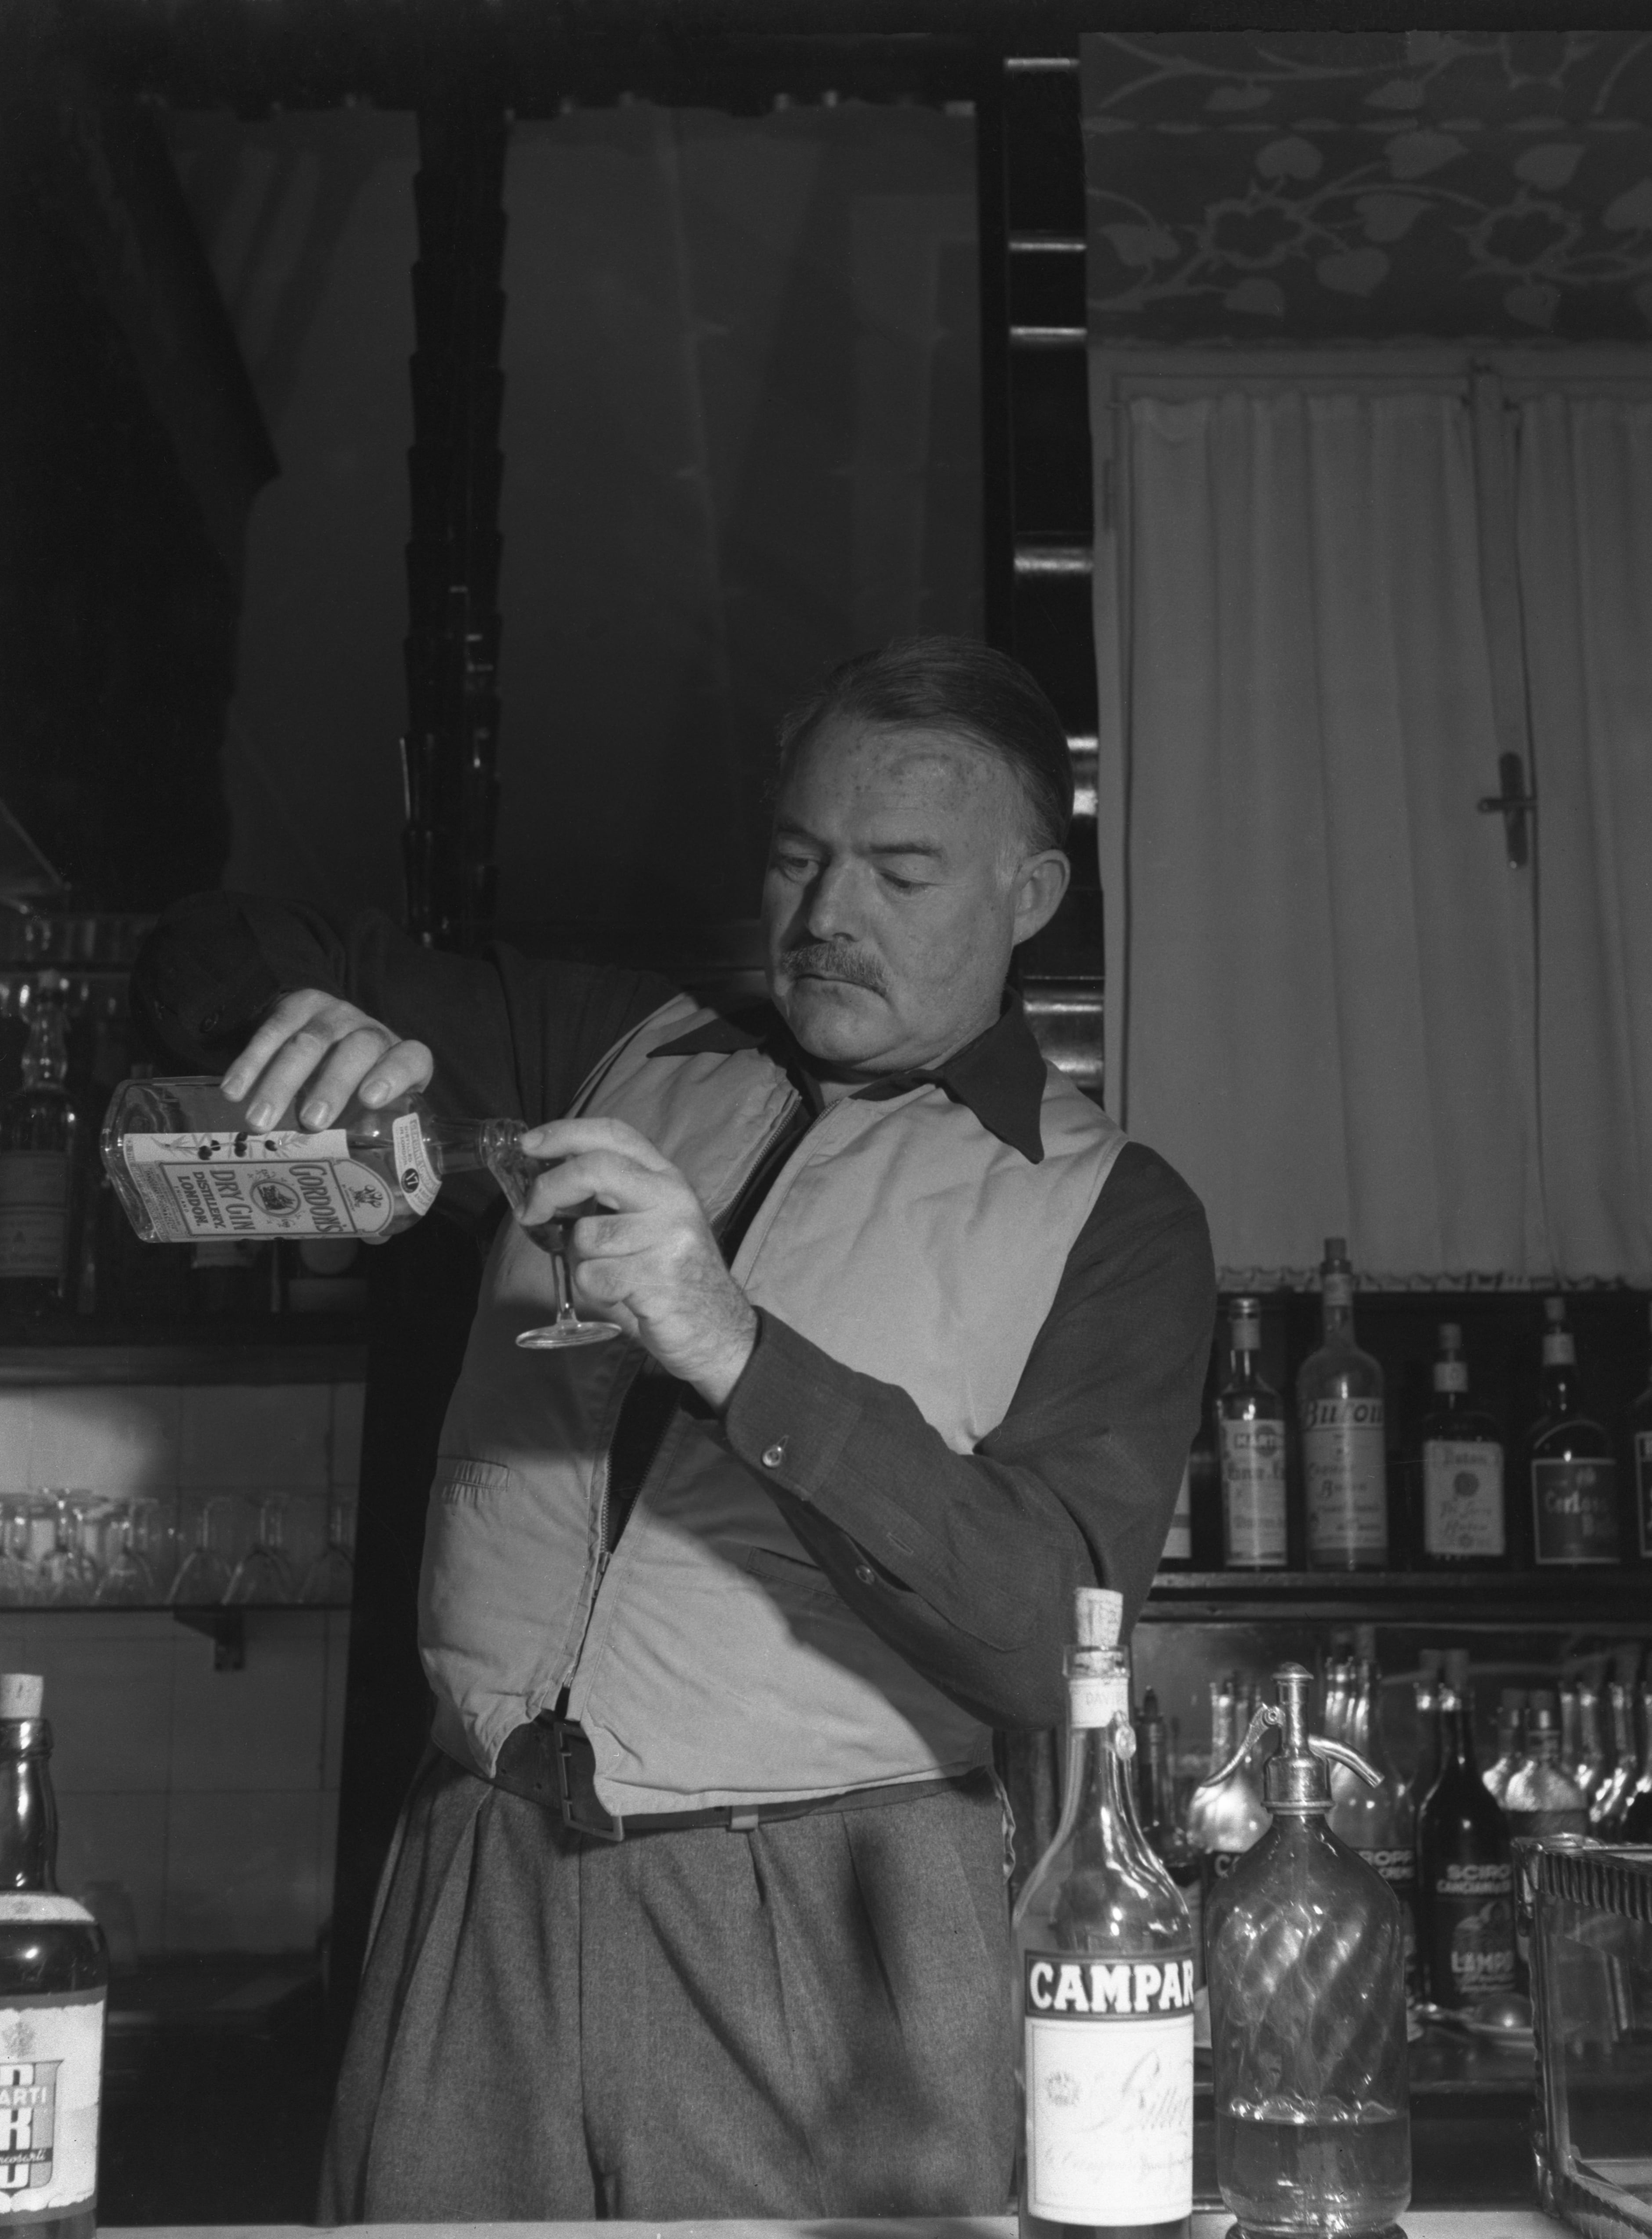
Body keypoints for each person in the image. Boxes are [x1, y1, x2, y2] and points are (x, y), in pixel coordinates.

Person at [132, 635, 1216, 2223]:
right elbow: (208, 941)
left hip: (829, 1922)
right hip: (475, 1868)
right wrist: (293, 1020)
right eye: (798, 858)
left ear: (1030, 892)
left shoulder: (1109, 1210)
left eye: (900, 872)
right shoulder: (614, 1043)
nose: (826, 916)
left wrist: (730, 1345)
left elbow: (1055, 1639)